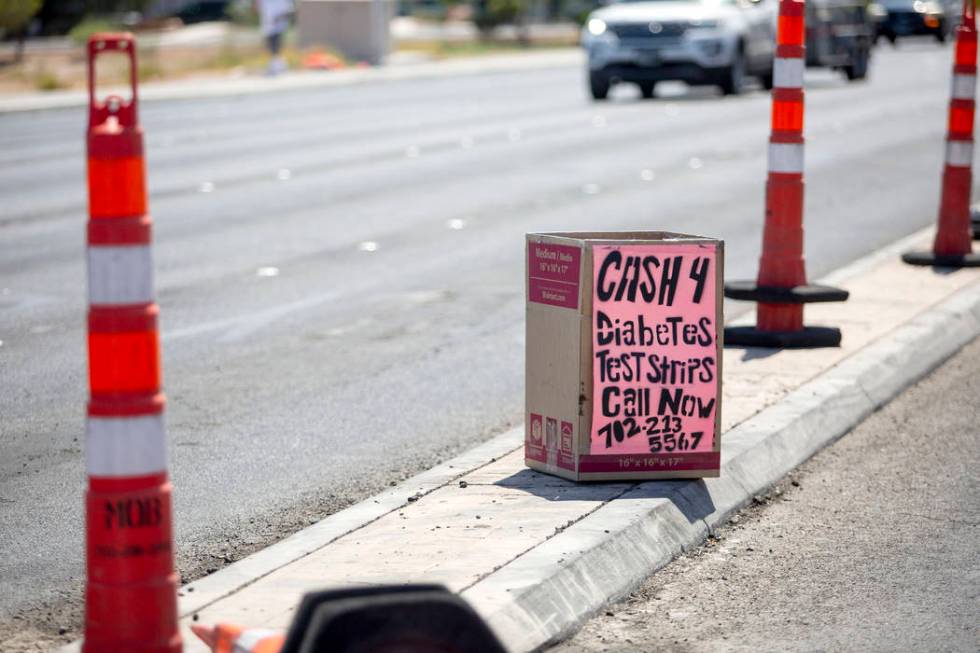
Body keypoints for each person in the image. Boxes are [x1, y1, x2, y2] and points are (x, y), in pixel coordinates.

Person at [256, 0, 294, 76]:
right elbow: (257, 8)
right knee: (270, 46)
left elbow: (288, 11)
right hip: (267, 26)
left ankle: (278, 65)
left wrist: (278, 18)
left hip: (278, 26)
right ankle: (276, 63)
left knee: (276, 44)